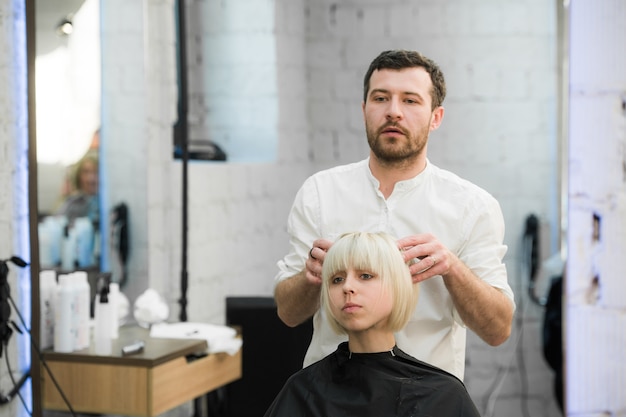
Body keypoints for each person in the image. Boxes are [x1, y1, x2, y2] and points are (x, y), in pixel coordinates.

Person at [274, 49, 515, 380]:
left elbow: (497, 329)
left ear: (436, 117)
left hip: (427, 400)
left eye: (411, 101)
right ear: (364, 110)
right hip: (331, 398)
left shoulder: (472, 206)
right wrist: (311, 277)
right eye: (381, 98)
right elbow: (287, 314)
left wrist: (452, 268)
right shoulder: (320, 193)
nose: (393, 112)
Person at [265, 232, 481, 417]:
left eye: (365, 276)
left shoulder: (442, 394)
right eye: (337, 279)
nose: (347, 287)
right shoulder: (303, 390)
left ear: (398, 286)